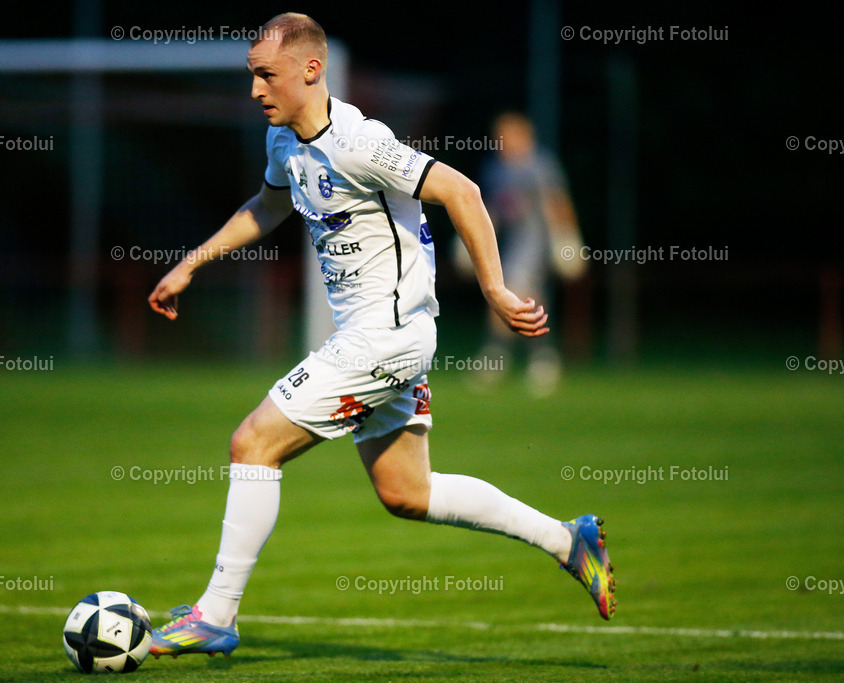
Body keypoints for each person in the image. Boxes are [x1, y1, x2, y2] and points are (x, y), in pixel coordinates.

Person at [146, 13, 615, 659]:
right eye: (251, 75)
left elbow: (462, 189)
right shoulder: (284, 142)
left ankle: (215, 613)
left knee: (252, 442)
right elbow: (269, 204)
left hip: (386, 337)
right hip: (380, 338)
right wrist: (192, 262)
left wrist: (496, 290)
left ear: (311, 70)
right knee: (407, 492)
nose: (255, 90)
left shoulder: (361, 141)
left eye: (265, 75)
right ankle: (570, 540)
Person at [456, 111, 586, 396]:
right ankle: (544, 358)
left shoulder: (539, 165)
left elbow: (557, 202)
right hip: (510, 243)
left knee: (508, 294)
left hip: (536, 242)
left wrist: (567, 239)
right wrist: (468, 239)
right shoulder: (496, 169)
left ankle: (496, 356)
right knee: (531, 300)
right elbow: (491, 208)